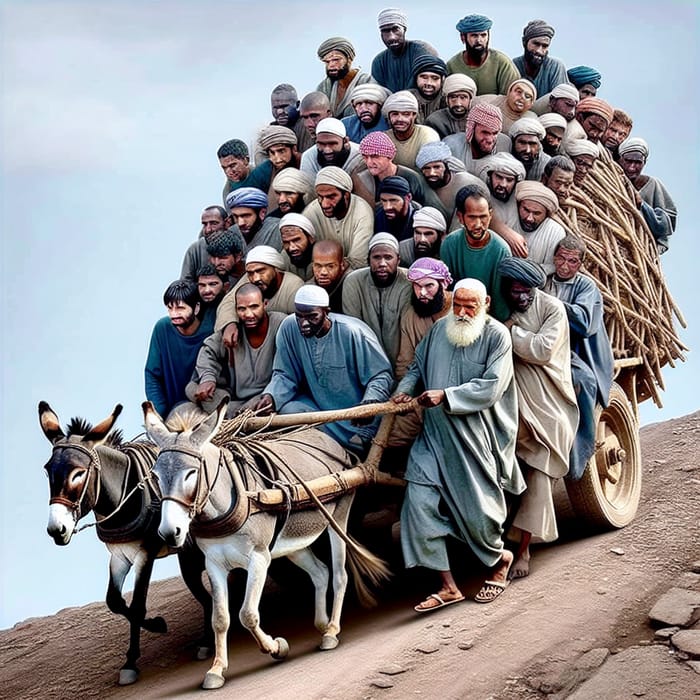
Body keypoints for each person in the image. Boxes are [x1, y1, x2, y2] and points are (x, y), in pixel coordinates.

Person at [392, 278, 525, 610]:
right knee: (418, 504)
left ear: (486, 306)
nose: (463, 313)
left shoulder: (497, 336)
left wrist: (447, 395)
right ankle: (448, 585)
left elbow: (492, 386)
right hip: (433, 436)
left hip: (475, 435)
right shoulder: (440, 331)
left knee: (479, 510)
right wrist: (405, 388)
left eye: (471, 307)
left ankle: (499, 562)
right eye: (459, 305)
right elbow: (417, 365)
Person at [499, 257, 578, 579]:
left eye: (525, 291)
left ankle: (524, 550)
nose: (520, 297)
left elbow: (542, 350)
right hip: (514, 403)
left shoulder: (552, 309)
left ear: (535, 287)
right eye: (514, 291)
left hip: (550, 405)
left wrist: (512, 333)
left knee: (538, 471)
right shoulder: (506, 308)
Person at [253, 286, 394, 455]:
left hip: (355, 419)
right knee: (288, 410)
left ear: (326, 312)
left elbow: (381, 375)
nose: (303, 323)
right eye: (299, 316)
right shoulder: (289, 327)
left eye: (312, 317)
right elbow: (285, 374)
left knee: (362, 441)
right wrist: (271, 397)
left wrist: (369, 404)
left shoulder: (353, 332)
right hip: (319, 412)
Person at [544, 236, 614, 480]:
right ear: (554, 257)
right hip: (547, 348)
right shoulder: (545, 282)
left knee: (581, 381)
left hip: (576, 351)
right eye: (561, 258)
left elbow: (583, 323)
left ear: (580, 264)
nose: (564, 265)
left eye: (572, 261)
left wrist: (551, 304)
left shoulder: (586, 287)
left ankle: (582, 448)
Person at [185, 283, 286, 416]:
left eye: (254, 307)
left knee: (260, 406)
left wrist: (272, 395)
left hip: (267, 394)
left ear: (265, 304)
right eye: (242, 309)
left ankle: (233, 415)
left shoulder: (281, 323)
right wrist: (208, 378)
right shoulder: (233, 329)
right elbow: (208, 350)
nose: (249, 314)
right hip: (235, 398)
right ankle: (236, 415)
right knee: (192, 388)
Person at [439, 184, 512, 321]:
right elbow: (447, 289)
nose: (478, 224)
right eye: (472, 217)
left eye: (483, 217)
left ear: (490, 215)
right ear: (460, 217)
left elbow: (500, 302)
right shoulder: (449, 244)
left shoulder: (501, 251)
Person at [144, 280, 214, 420]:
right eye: (170, 308)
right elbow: (152, 375)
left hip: (204, 414)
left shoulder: (211, 331)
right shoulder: (162, 328)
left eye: (180, 308)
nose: (174, 314)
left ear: (196, 308)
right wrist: (160, 413)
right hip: (170, 416)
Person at [342, 232, 412, 369]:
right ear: (368, 260)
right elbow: (353, 331)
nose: (382, 264)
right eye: (376, 257)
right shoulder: (353, 282)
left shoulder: (409, 281)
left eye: (388, 257)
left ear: (398, 260)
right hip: (365, 363)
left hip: (402, 364)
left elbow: (408, 333)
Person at [215, 245, 304, 334]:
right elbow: (228, 302)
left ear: (275, 269)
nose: (255, 278)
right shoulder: (249, 278)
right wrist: (229, 325)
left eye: (261, 271)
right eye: (250, 273)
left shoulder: (293, 286)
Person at [302, 166, 374, 270]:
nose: (325, 204)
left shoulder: (362, 212)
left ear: (346, 195)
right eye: (320, 197)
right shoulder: (311, 212)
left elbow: (358, 262)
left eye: (331, 197)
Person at [395, 257, 453, 379]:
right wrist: (404, 391)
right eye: (417, 286)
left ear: (443, 284)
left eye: (429, 286)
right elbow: (405, 362)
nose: (422, 292)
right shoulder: (410, 315)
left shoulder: (459, 307)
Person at [618, 137, 677, 254]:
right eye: (628, 161)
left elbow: (666, 224)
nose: (631, 167)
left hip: (643, 250)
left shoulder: (653, 185)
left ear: (644, 163)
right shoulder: (612, 181)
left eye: (638, 163)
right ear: (620, 159)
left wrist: (643, 206)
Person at [415, 141, 483, 230]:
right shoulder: (421, 184)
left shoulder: (466, 183)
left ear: (447, 166)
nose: (432, 173)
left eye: (437, 167)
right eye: (426, 168)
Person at [446, 14, 519, 96]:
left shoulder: (502, 63)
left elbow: (511, 99)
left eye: (483, 35)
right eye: (474, 36)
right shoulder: (452, 66)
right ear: (463, 37)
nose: (479, 40)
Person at [353, 131, 426, 207]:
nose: (369, 162)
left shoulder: (411, 177)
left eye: (375, 156)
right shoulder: (362, 179)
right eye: (365, 157)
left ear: (390, 157)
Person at [371, 8, 435, 93]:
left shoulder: (422, 51)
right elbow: (377, 94)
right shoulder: (379, 62)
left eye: (395, 29)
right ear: (381, 34)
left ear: (404, 30)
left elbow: (430, 87)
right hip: (390, 105)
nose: (391, 37)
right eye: (385, 31)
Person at [443, 102, 511, 176]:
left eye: (494, 133)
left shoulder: (505, 144)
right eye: (485, 132)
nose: (490, 140)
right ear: (471, 129)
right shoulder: (451, 145)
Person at [512, 181, 565, 275]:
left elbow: (552, 266)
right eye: (526, 210)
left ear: (546, 214)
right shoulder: (509, 219)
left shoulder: (555, 231)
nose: (529, 218)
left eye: (537, 213)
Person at [316, 37, 376, 119]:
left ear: (349, 59)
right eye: (327, 62)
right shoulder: (324, 87)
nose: (331, 65)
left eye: (336, 60)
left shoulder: (367, 82)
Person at [253, 84, 313, 164]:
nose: (279, 111)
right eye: (275, 108)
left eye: (284, 106)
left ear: (297, 105)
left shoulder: (308, 125)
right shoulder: (268, 133)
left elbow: (311, 160)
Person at [382, 90, 440, 169]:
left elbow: (429, 169)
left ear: (414, 115)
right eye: (395, 114)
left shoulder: (428, 135)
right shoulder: (383, 138)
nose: (400, 119)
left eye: (406, 114)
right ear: (389, 116)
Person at [512, 20, 568, 97]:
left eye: (544, 46)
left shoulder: (555, 66)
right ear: (524, 42)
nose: (539, 51)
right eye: (536, 44)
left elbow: (561, 98)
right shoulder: (514, 65)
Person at [251, 125, 302, 209]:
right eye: (272, 153)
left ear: (294, 148)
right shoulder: (267, 169)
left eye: (281, 151)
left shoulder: (305, 164)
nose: (277, 159)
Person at [299, 117, 364, 177]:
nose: (327, 150)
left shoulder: (361, 154)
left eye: (332, 143)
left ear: (345, 141)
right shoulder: (308, 156)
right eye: (321, 144)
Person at [477, 152, 526, 228]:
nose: (503, 184)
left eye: (509, 180)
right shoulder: (479, 196)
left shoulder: (519, 198)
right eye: (499, 177)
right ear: (490, 175)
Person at [180, 205, 228, 282]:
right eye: (205, 224)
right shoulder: (195, 249)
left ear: (227, 223)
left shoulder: (238, 243)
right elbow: (185, 284)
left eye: (214, 223)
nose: (208, 229)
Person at [474, 78, 538, 133]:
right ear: (509, 92)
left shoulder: (531, 120)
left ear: (531, 104)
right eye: (519, 92)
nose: (522, 97)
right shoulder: (488, 102)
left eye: (527, 96)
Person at [425, 74, 477, 139]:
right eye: (453, 97)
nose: (458, 103)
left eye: (463, 97)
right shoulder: (434, 121)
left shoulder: (477, 119)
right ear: (447, 100)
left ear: (470, 100)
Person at [218, 139, 269, 206]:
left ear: (246, 160)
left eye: (232, 165)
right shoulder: (228, 192)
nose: (228, 172)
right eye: (224, 168)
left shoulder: (262, 175)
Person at [307, 239, 349, 313]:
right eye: (318, 266)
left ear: (342, 265)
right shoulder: (309, 288)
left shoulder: (352, 283)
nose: (323, 272)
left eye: (330, 266)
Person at [375, 176, 418, 241]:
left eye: (393, 200)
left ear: (408, 198)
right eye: (383, 200)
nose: (387, 207)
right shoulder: (376, 215)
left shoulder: (420, 218)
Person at [408, 54, 447, 122]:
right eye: (424, 77)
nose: (429, 83)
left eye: (435, 78)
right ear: (416, 78)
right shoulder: (406, 98)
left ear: (442, 80)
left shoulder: (449, 99)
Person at [509, 117, 550, 181]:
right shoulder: (506, 158)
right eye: (522, 143)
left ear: (539, 145)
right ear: (514, 142)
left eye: (532, 144)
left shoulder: (547, 164)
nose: (527, 150)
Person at [279, 212, 316, 281]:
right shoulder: (283, 259)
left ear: (310, 238)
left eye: (296, 240)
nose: (291, 248)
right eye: (286, 242)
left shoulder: (323, 256)